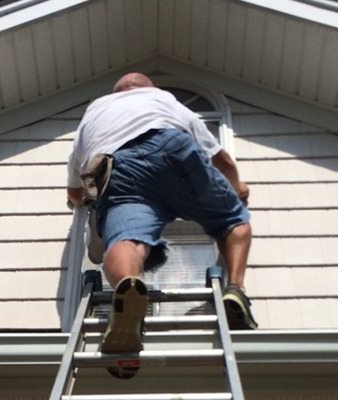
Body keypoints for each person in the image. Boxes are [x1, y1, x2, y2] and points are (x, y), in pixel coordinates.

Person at [66, 73, 256, 378]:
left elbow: (76, 190)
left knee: (125, 240)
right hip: (172, 147)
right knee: (232, 220)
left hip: (119, 166)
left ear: (116, 92)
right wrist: (237, 187)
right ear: (149, 88)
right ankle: (235, 289)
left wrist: (77, 201)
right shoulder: (165, 100)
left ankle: (128, 285)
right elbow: (222, 159)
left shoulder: (93, 114)